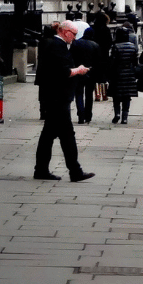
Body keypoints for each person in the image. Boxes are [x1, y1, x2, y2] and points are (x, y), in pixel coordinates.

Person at [34, 20, 94, 182]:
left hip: (53, 97)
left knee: (48, 135)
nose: (74, 38)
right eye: (73, 34)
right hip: (58, 97)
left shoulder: (52, 44)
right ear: (65, 32)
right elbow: (62, 72)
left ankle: (41, 169)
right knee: (67, 135)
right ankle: (75, 171)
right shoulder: (56, 46)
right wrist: (78, 70)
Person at [72, 23, 104, 124]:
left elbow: (71, 58)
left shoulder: (76, 43)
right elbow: (99, 62)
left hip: (78, 71)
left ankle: (81, 115)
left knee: (79, 94)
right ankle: (88, 115)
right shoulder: (95, 45)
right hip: (91, 73)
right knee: (89, 94)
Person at [108, 26, 141, 123]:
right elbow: (135, 62)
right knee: (127, 96)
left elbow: (112, 62)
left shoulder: (116, 46)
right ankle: (125, 117)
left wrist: (110, 73)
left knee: (116, 95)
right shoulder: (132, 47)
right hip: (129, 74)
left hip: (118, 73)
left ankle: (117, 113)